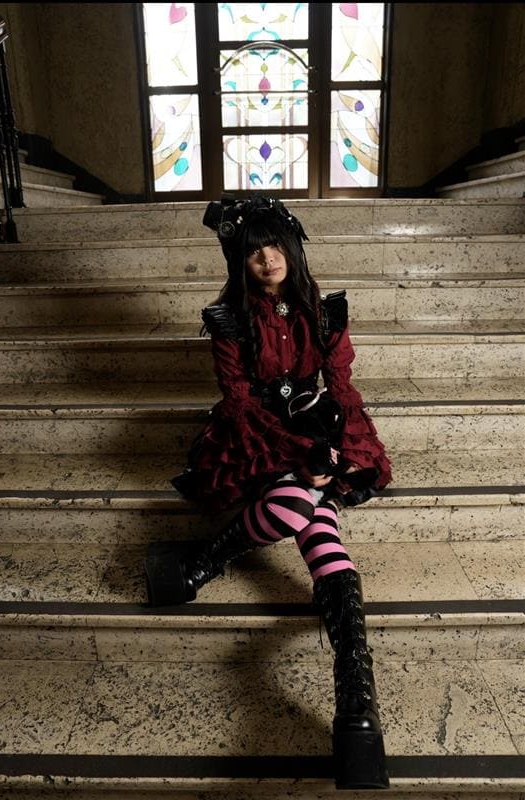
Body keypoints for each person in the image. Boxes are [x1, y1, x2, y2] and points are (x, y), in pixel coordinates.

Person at [144, 193, 393, 791]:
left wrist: (335, 448)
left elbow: (341, 388)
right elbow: (238, 402)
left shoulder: (325, 313)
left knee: (308, 507)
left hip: (316, 425)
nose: (267, 258)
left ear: (293, 249)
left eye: (275, 245)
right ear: (240, 261)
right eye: (253, 250)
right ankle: (357, 704)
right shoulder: (230, 320)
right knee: (305, 504)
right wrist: (300, 454)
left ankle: (352, 685)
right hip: (256, 434)